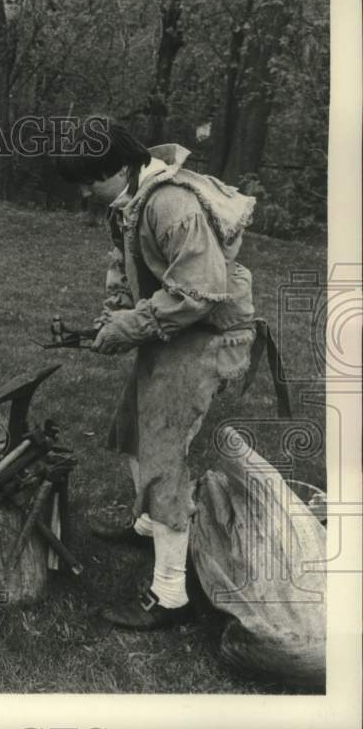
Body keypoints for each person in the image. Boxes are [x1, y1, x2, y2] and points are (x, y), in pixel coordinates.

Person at [56, 117, 257, 629]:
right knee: (132, 432)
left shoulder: (172, 202)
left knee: (164, 458)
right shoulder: (130, 197)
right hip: (174, 329)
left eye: (88, 181)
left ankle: (170, 596)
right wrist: (115, 313)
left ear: (122, 167)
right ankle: (148, 526)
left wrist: (133, 325)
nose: (84, 193)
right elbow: (124, 266)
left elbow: (199, 291)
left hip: (205, 334)